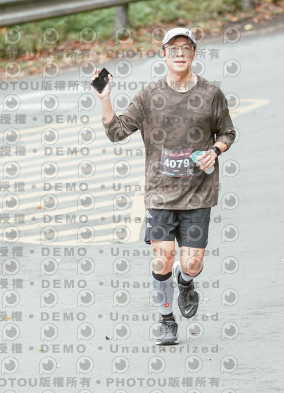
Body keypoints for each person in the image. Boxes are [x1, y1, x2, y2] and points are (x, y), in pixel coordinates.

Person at [91, 27, 236, 345]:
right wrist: (105, 99)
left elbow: (227, 132)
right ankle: (166, 320)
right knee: (162, 257)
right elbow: (116, 132)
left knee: (192, 264)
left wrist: (215, 151)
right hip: (160, 192)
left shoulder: (211, 94)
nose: (179, 53)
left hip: (198, 192)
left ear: (194, 53)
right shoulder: (149, 96)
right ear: (164, 54)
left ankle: (186, 282)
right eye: (173, 48)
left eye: (185, 48)